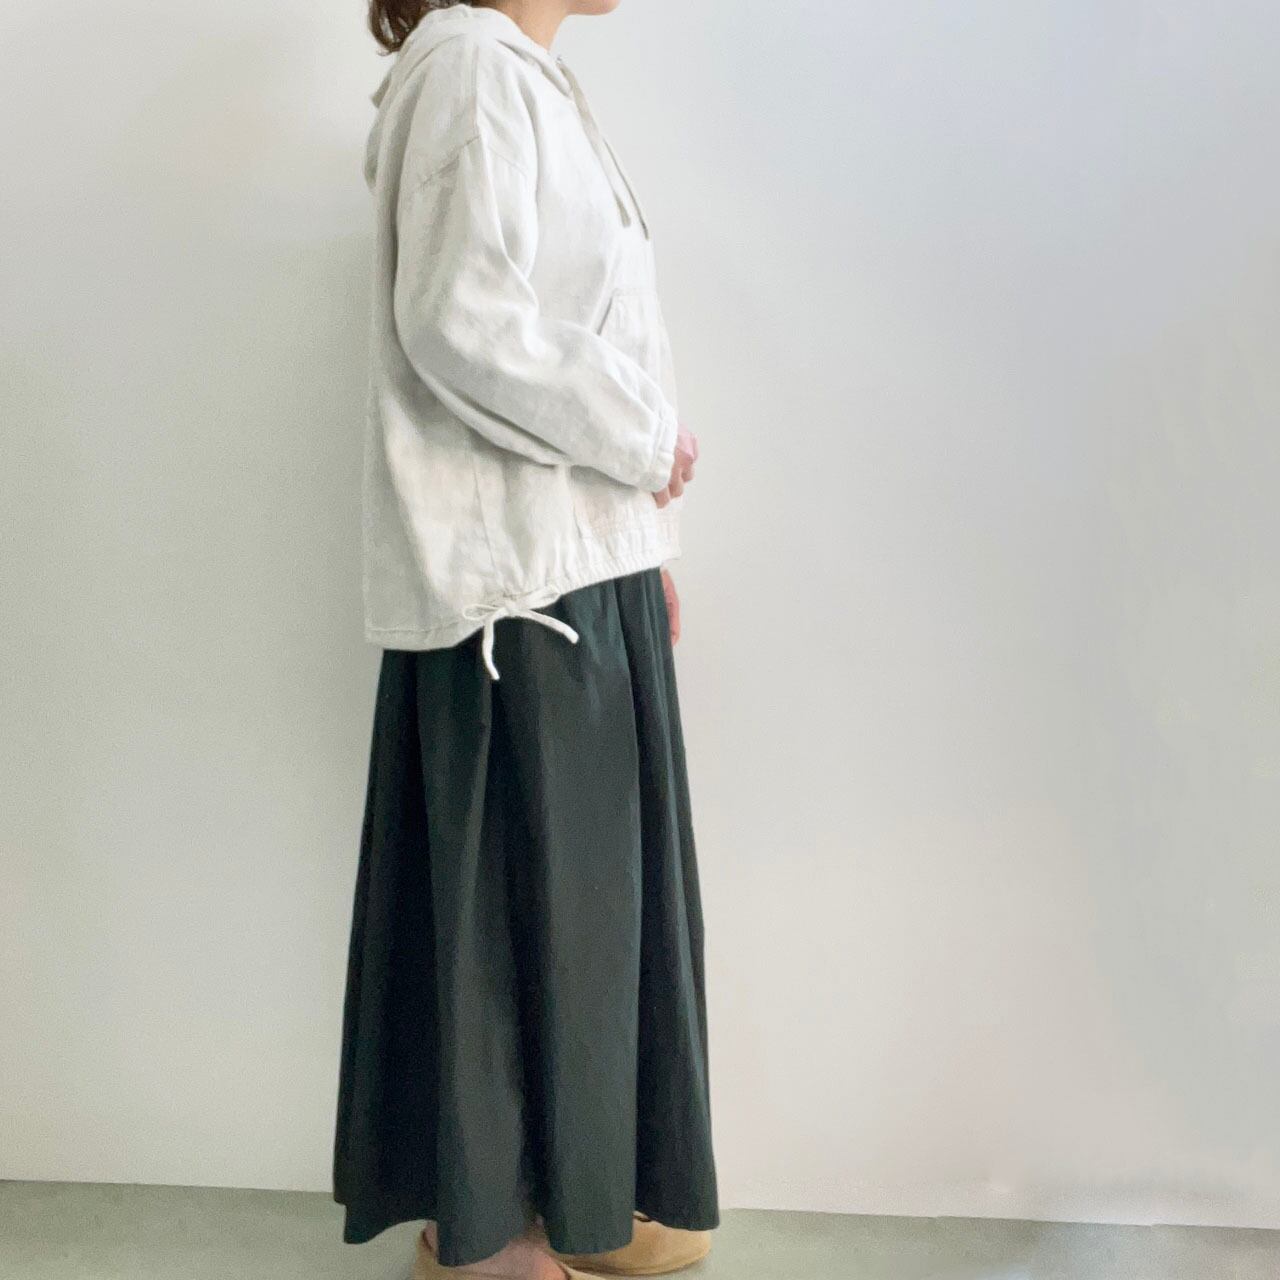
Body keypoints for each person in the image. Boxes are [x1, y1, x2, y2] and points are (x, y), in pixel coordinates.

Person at [331, 2, 719, 1277]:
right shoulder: (467, 70)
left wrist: (636, 544)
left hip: (571, 568)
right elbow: (458, 317)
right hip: (512, 592)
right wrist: (641, 441)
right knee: (512, 915)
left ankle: (574, 1201)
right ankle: (481, 1238)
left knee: (585, 917)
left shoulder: (525, 79)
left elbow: (575, 325)